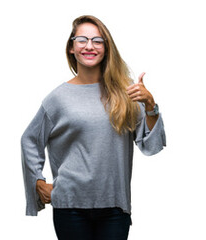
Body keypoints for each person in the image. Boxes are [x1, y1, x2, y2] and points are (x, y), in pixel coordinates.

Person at [21, 15, 166, 240]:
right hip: (70, 206)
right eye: (82, 39)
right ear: (71, 47)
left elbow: (152, 145)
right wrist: (38, 181)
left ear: (106, 48)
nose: (90, 46)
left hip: (115, 207)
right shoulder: (57, 98)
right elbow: (30, 140)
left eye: (98, 41)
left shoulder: (126, 94)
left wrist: (150, 105)